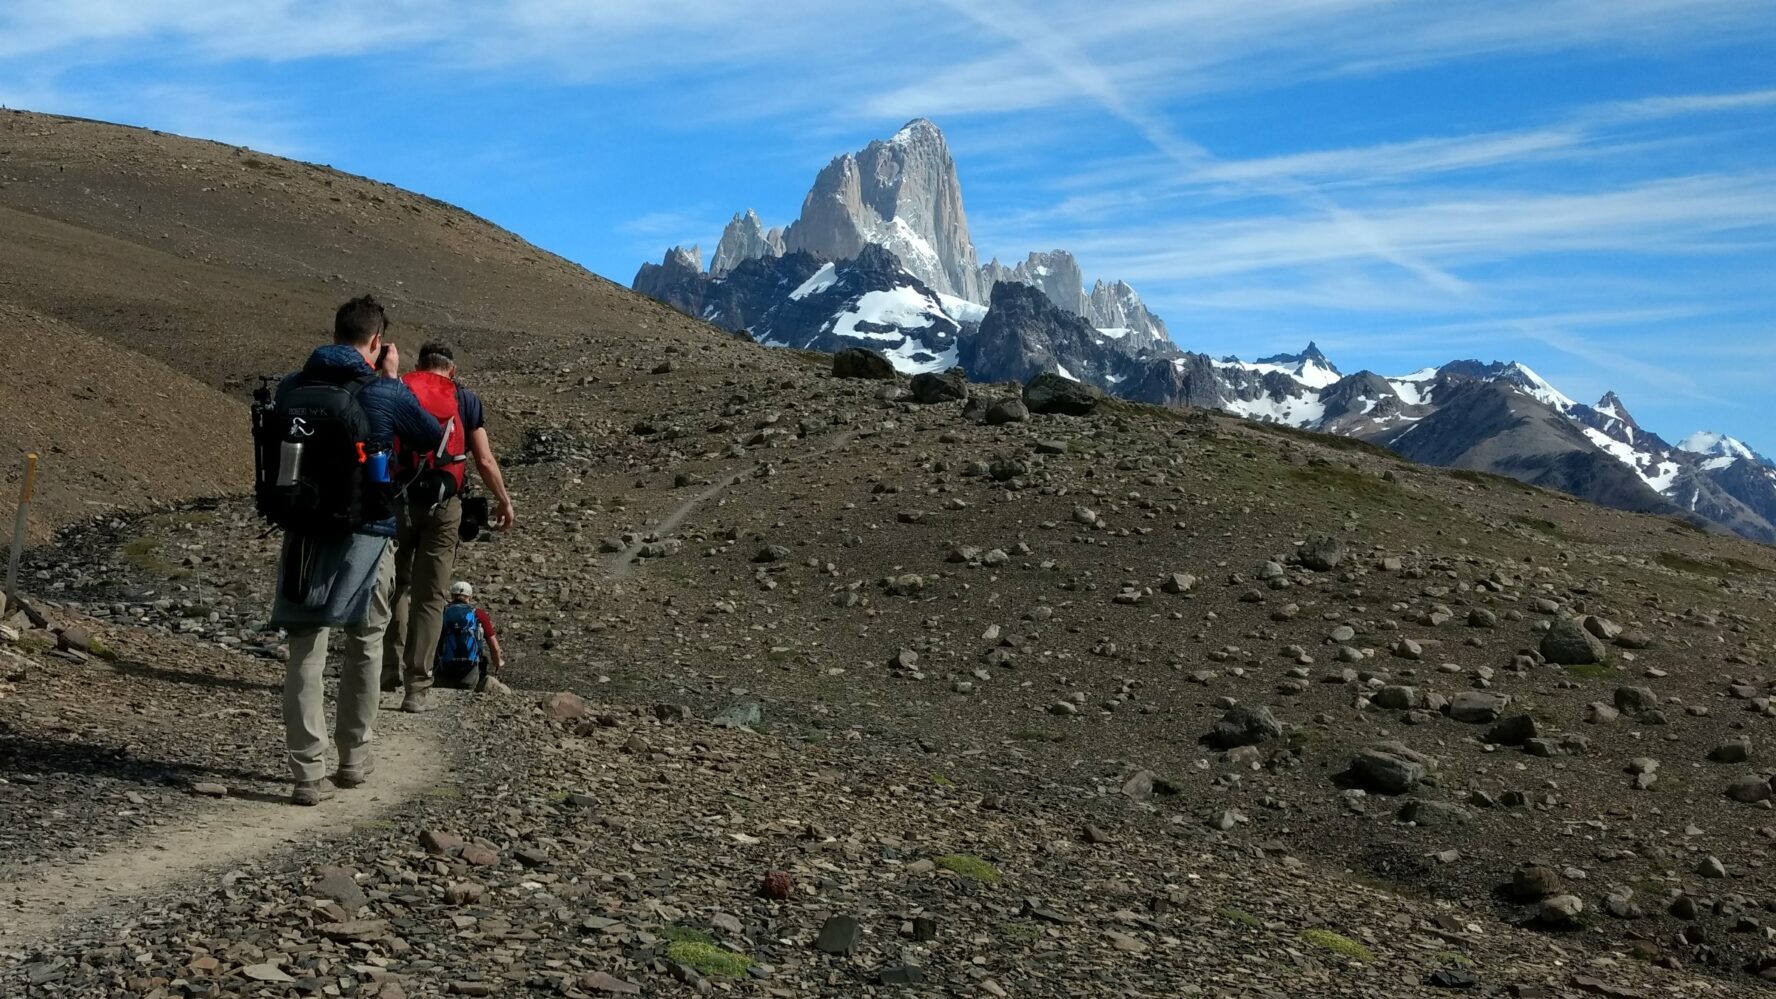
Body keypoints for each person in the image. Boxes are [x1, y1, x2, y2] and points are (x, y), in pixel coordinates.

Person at [267, 296, 442, 806]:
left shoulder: (292, 386)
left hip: (302, 531)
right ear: (375, 340)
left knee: (306, 644)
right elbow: (429, 437)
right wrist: (390, 380)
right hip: (368, 531)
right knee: (365, 640)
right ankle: (353, 758)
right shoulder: (383, 392)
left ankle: (306, 772)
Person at [381, 341, 514, 712]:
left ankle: (389, 669)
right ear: (451, 370)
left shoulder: (401, 388)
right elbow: (484, 459)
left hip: (399, 500)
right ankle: (417, 688)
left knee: (396, 586)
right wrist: (503, 499)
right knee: (431, 596)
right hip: (444, 505)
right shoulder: (465, 400)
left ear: (420, 365)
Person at [435, 580, 505, 691]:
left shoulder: (442, 612)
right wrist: (497, 664)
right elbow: (494, 646)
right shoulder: (478, 613)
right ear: (470, 597)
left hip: (444, 670)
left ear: (452, 596)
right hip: (469, 671)